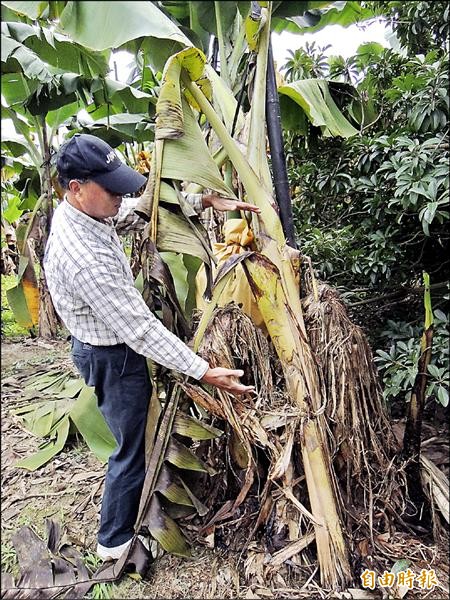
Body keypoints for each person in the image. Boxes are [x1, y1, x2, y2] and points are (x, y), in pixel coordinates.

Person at [44, 133, 260, 561]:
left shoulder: (89, 213)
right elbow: (139, 330)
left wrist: (203, 202)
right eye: (111, 189)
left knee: (135, 437)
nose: (119, 197)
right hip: (112, 356)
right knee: (132, 447)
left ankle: (124, 524)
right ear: (77, 188)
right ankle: (114, 543)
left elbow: (139, 211)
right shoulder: (82, 256)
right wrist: (202, 370)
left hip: (112, 346)